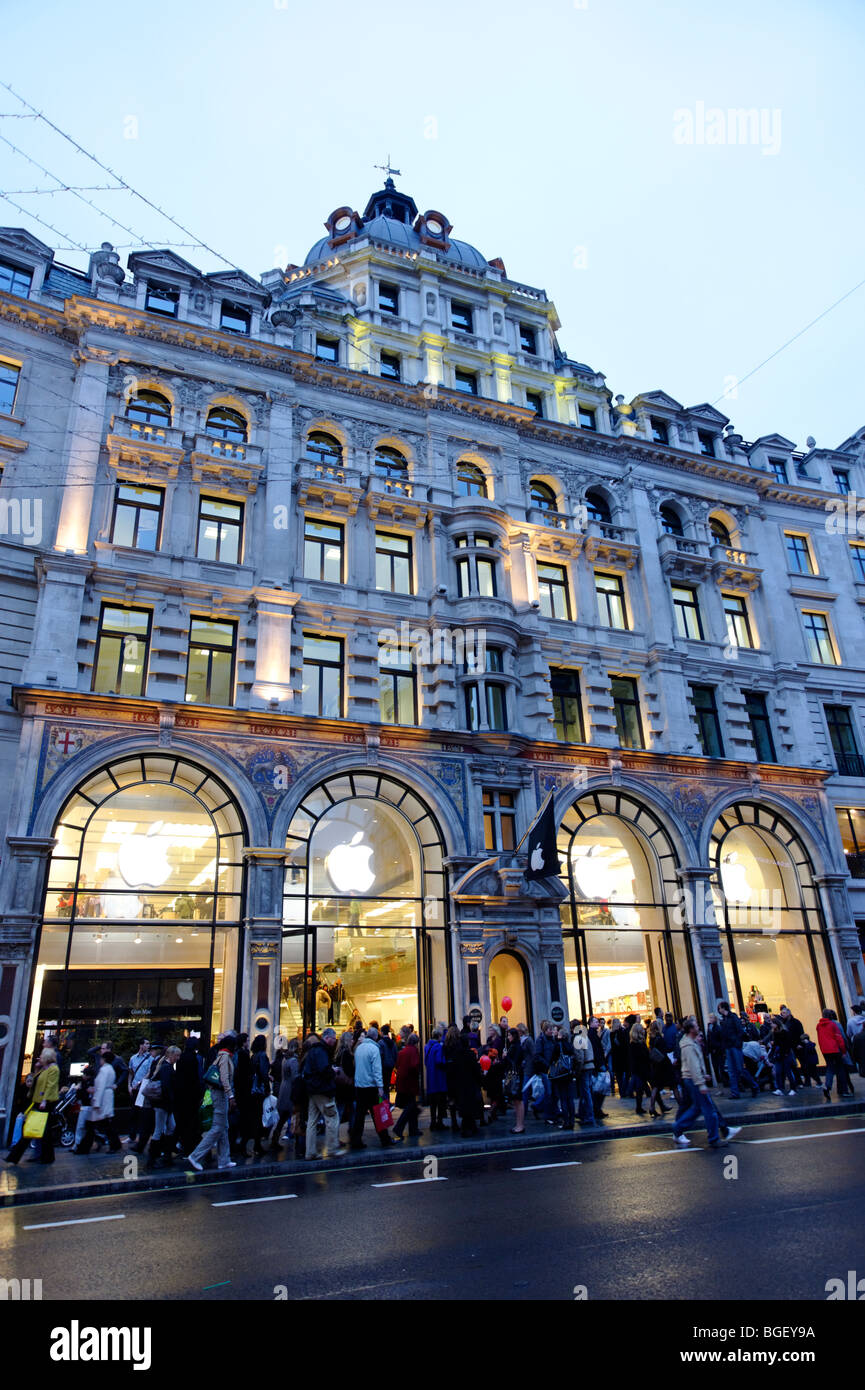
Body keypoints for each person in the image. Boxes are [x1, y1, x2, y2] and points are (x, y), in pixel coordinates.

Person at [187, 1034, 237, 1171]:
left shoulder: (220, 1056)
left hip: (219, 1094)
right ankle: (195, 1156)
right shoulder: (225, 1057)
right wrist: (231, 1095)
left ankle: (224, 1160)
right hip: (220, 1095)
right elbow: (225, 1079)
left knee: (224, 1128)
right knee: (217, 1128)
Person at [673, 1022, 725, 1149]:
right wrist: (701, 1083)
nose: (698, 1028)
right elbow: (693, 1066)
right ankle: (714, 1139)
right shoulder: (689, 1045)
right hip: (694, 1081)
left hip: (692, 1079)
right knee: (709, 1110)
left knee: (696, 1108)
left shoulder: (689, 1042)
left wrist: (703, 1075)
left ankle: (678, 1127)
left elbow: (695, 1064)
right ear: (691, 1030)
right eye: (696, 1026)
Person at [6, 1047, 60, 1165]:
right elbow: (34, 1082)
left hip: (44, 1104)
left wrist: (45, 1100)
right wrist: (36, 1068)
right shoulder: (44, 1069)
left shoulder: (53, 1070)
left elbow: (51, 1086)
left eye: (41, 1055)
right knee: (42, 1133)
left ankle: (14, 1157)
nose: (40, 1057)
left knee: (32, 1130)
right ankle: (47, 1157)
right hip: (38, 1102)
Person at [302, 1028, 345, 1159]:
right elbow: (324, 1070)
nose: (334, 1041)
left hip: (312, 1089)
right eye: (333, 1039)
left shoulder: (313, 1050)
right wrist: (334, 1071)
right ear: (327, 1038)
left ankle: (310, 1151)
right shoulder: (322, 1051)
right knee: (332, 1117)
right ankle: (332, 1148)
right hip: (322, 1090)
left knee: (312, 1121)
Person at [350, 1027, 393, 1149]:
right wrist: (380, 1086)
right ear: (375, 1037)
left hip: (360, 1086)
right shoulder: (374, 1049)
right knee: (377, 1114)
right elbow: (377, 1070)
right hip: (371, 1086)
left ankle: (356, 1140)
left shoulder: (358, 1048)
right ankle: (384, 1139)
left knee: (359, 1115)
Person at [75, 1049, 121, 1153]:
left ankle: (84, 1147)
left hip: (102, 1100)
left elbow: (100, 1086)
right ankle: (113, 1144)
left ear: (104, 1059)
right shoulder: (110, 1070)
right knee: (103, 1125)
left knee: (95, 1125)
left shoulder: (104, 1070)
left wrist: (96, 1102)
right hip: (106, 1099)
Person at [145, 1044, 180, 1167]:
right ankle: (153, 1158)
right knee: (159, 1130)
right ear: (171, 1055)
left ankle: (166, 1155)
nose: (178, 1058)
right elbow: (166, 1087)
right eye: (177, 1055)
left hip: (164, 1104)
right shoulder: (167, 1068)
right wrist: (171, 1100)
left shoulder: (165, 1066)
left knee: (170, 1127)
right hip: (163, 1104)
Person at [717, 1000, 759, 1099]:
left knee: (740, 1069)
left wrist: (736, 1043)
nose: (719, 1010)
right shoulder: (724, 1020)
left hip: (734, 1046)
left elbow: (740, 1031)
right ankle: (735, 1092)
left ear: (723, 1008)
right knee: (731, 1071)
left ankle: (754, 1086)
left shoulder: (733, 1017)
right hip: (729, 1047)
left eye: (719, 1008)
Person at [173, 1038, 204, 1156]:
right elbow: (196, 1079)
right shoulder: (194, 1059)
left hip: (181, 1095)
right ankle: (188, 1148)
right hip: (191, 1096)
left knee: (182, 1123)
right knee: (190, 1123)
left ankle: (177, 1146)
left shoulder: (181, 1058)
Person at [817, 1008, 854, 1100]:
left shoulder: (819, 1026)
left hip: (825, 1050)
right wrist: (844, 1051)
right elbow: (839, 1038)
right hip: (835, 1049)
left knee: (830, 1068)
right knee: (841, 1069)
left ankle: (827, 1086)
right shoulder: (833, 1024)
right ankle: (844, 1090)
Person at [272, 1037, 300, 1152]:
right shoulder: (293, 1060)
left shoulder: (285, 1058)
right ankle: (297, 1139)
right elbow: (295, 1077)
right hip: (290, 1090)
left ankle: (275, 1138)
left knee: (282, 1117)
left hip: (284, 1088)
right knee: (294, 1115)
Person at [391, 1033, 421, 1140]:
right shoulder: (414, 1051)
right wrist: (417, 1073)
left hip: (402, 1081)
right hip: (410, 1082)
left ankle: (413, 1129)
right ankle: (399, 1127)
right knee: (411, 1106)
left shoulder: (402, 1051)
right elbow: (414, 1065)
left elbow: (397, 1065)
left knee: (412, 1105)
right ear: (416, 1043)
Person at [126, 1039, 152, 1145]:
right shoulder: (133, 1058)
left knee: (143, 1114)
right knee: (134, 1112)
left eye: (148, 1044)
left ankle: (141, 1137)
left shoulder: (150, 1059)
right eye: (146, 1044)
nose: (148, 1046)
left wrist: (140, 1083)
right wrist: (129, 1085)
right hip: (134, 1088)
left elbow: (149, 1073)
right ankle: (132, 1135)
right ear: (141, 1045)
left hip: (143, 1088)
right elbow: (131, 1073)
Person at [550, 1025, 575, 1130]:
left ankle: (566, 1122)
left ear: (560, 1035)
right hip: (569, 1074)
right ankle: (572, 1120)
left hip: (560, 1074)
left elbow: (553, 1059)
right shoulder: (569, 1045)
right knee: (570, 1098)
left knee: (563, 1098)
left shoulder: (557, 1045)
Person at [502, 1027, 526, 1133]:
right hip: (517, 1074)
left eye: (509, 1035)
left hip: (516, 1075)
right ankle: (518, 1124)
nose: (508, 1037)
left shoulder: (515, 1047)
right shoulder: (516, 1046)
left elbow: (514, 1062)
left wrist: (505, 1056)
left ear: (514, 1036)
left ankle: (520, 1125)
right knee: (517, 1101)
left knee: (518, 1100)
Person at [647, 1020, 673, 1118]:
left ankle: (654, 1106)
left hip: (655, 1064)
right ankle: (652, 1106)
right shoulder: (659, 1038)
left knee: (655, 1087)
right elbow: (664, 1051)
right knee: (656, 1087)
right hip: (661, 1064)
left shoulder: (651, 1038)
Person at [424, 1027, 448, 1130]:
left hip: (431, 1078)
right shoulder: (438, 1047)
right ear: (439, 1036)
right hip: (439, 1078)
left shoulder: (427, 1046)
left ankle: (433, 1122)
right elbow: (439, 1061)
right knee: (440, 1102)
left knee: (433, 1104)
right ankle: (440, 1122)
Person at [768, 1018, 798, 1096]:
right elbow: (776, 1044)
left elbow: (788, 1044)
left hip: (785, 1054)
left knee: (788, 1072)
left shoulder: (784, 1032)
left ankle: (793, 1088)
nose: (771, 1025)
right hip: (779, 1055)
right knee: (778, 1072)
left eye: (772, 1023)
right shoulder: (775, 1033)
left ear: (776, 1024)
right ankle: (779, 1088)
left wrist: (785, 1052)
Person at [628, 1020, 651, 1116]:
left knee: (641, 1089)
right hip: (641, 1069)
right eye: (641, 1029)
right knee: (641, 1089)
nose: (643, 1030)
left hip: (639, 1069)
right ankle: (639, 1107)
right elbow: (641, 1056)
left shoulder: (635, 1043)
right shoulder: (637, 1044)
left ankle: (639, 1107)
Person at [609, 1017, 630, 1098]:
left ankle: (622, 1091)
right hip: (623, 1057)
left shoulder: (612, 1033)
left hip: (616, 1057)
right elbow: (625, 1045)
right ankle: (624, 1091)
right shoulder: (622, 1032)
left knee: (619, 1076)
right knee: (624, 1075)